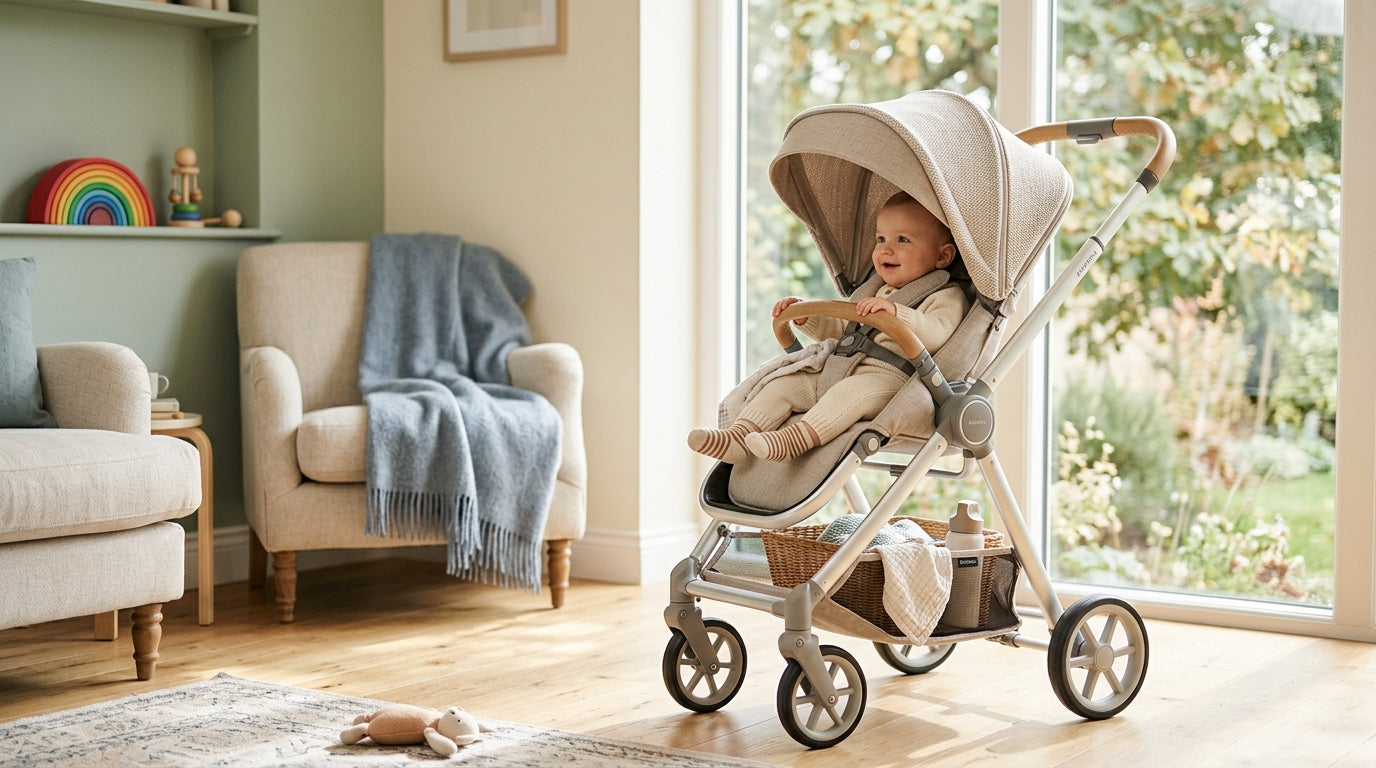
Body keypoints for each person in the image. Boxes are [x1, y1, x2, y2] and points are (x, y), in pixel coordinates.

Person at [688, 191, 971, 463]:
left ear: (942, 257)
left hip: (890, 381)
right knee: (785, 384)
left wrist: (897, 314)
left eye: (902, 240)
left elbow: (937, 332)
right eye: (881, 238)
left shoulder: (945, 295)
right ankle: (738, 437)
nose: (885, 248)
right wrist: (806, 317)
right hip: (841, 367)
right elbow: (844, 330)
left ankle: (792, 442)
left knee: (849, 394)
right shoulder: (874, 290)